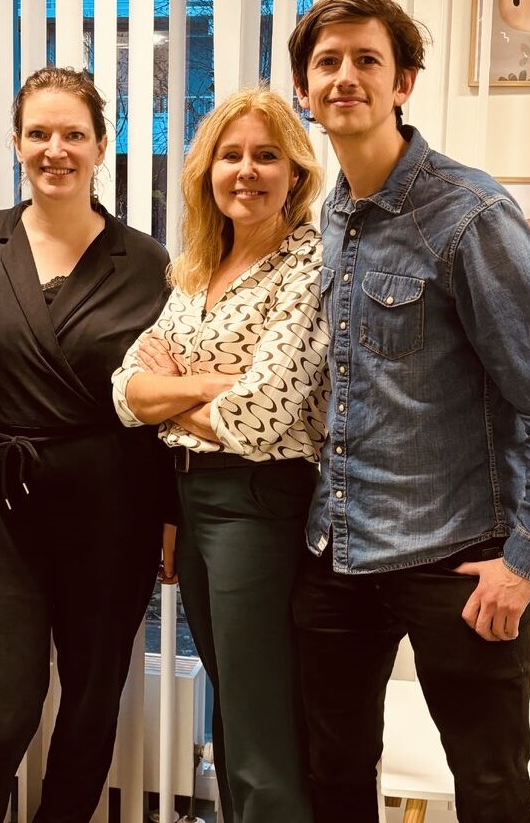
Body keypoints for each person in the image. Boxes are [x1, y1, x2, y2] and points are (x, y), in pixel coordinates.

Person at [287, 0, 530, 823]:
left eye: (367, 60)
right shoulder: (333, 215)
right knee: (332, 775)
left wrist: (527, 561)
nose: (345, 76)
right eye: (327, 62)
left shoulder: (469, 215)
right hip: (337, 553)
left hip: (455, 558)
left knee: (489, 786)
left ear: (404, 83)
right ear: (303, 91)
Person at [0, 66, 177, 823]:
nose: (55, 150)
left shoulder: (149, 262)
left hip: (113, 504)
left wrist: (173, 514)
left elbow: (161, 400)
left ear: (102, 145)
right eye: (39, 133)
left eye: (73, 134)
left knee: (92, 701)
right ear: (16, 142)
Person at [112, 88, 328, 823]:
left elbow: (261, 417)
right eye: (230, 155)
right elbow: (125, 390)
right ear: (207, 171)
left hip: (257, 502)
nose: (247, 170)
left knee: (260, 717)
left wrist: (172, 392)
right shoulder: (199, 268)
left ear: (295, 173)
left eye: (266, 155)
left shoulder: (308, 265)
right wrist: (210, 387)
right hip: (194, 496)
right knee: (231, 704)